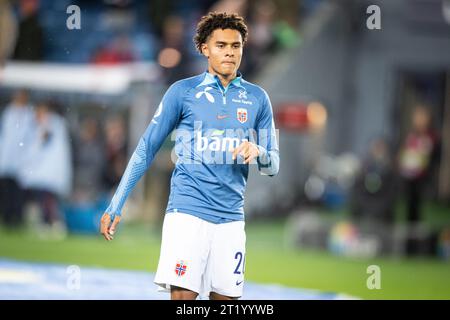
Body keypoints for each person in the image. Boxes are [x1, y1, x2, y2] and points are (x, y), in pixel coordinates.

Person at [100, 12, 279, 300]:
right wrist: (116, 204)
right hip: (187, 214)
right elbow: (146, 149)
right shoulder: (182, 92)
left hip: (231, 219)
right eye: (221, 45)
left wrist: (259, 153)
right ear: (205, 49)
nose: (230, 52)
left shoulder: (258, 98)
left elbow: (274, 165)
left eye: (236, 46)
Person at [0, 90, 34, 228]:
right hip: (6, 159)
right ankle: (6, 218)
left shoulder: (28, 114)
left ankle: (16, 219)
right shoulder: (8, 112)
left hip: (21, 161)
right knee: (6, 192)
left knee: (18, 194)